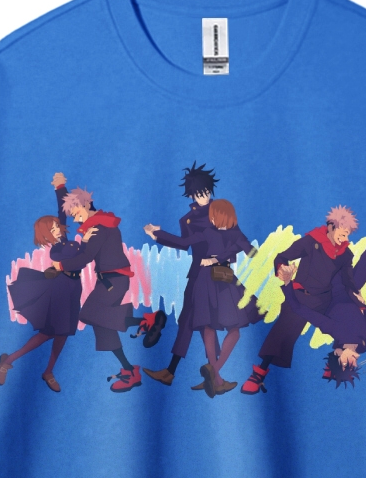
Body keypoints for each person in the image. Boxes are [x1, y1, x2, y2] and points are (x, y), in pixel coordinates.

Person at [240, 182, 366, 394]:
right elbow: (284, 257)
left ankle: (259, 373)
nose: (345, 239)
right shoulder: (363, 343)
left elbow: (310, 305)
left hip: (329, 294)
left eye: (347, 234)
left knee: (291, 322)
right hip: (337, 293)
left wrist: (287, 281)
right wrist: (357, 298)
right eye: (352, 365)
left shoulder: (341, 257)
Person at [0, 172, 82, 392]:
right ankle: (9, 361)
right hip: (61, 289)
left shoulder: (65, 239)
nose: (56, 229)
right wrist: (59, 188)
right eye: (51, 229)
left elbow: (62, 213)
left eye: (55, 226)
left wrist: (60, 188)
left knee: (63, 333)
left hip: (74, 288)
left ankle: (48, 370)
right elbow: (61, 216)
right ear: (45, 235)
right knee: (50, 333)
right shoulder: (58, 247)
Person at [56, 186, 143, 392]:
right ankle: (129, 370)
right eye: (74, 216)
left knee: (89, 313)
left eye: (77, 213)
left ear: (86, 204)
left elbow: (85, 258)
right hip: (108, 280)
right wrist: (60, 189)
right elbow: (87, 251)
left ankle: (145, 322)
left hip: (114, 280)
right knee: (101, 325)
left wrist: (60, 266)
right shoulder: (97, 226)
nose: (76, 219)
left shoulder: (100, 227)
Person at [142, 162, 219, 387]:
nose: (203, 197)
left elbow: (228, 241)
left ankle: (214, 374)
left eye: (206, 192)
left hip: (215, 275)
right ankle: (172, 372)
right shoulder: (187, 219)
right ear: (192, 194)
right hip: (196, 276)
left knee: (207, 323)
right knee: (188, 321)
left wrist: (158, 235)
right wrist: (158, 235)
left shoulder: (220, 213)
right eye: (199, 193)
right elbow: (185, 244)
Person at [188, 198, 256, 397]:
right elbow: (252, 253)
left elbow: (184, 242)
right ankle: (215, 373)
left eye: (213, 215)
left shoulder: (209, 232)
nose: (211, 219)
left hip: (206, 280)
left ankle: (215, 378)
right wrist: (235, 246)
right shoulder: (234, 233)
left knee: (209, 328)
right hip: (223, 281)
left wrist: (157, 234)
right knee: (234, 330)